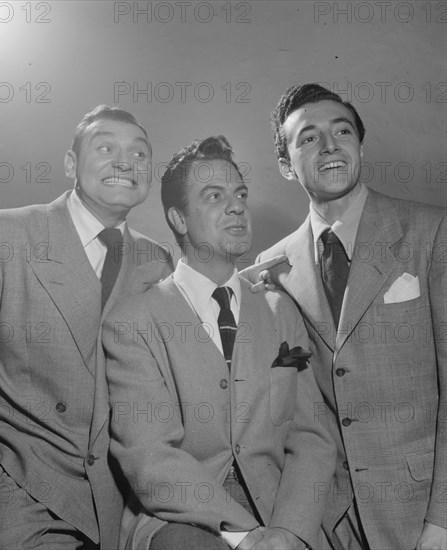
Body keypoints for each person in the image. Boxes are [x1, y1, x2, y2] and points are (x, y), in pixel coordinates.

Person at [0, 105, 173, 549]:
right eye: (106, 147)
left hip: (126, 503)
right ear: (71, 165)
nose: (126, 162)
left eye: (140, 153)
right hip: (26, 498)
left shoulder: (156, 261)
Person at [102, 135, 336, 550]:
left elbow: (310, 438)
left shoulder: (282, 312)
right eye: (214, 195)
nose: (237, 206)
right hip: (187, 522)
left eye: (240, 193)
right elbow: (149, 456)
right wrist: (245, 536)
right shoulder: (134, 321)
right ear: (178, 219)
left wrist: (290, 531)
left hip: (279, 516)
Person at [244, 84, 446, 550]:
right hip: (332, 520)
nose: (330, 145)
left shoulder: (432, 232)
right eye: (309, 137)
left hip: (422, 513)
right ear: (285, 166)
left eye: (342, 131)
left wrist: (443, 521)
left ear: (359, 146)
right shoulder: (272, 266)